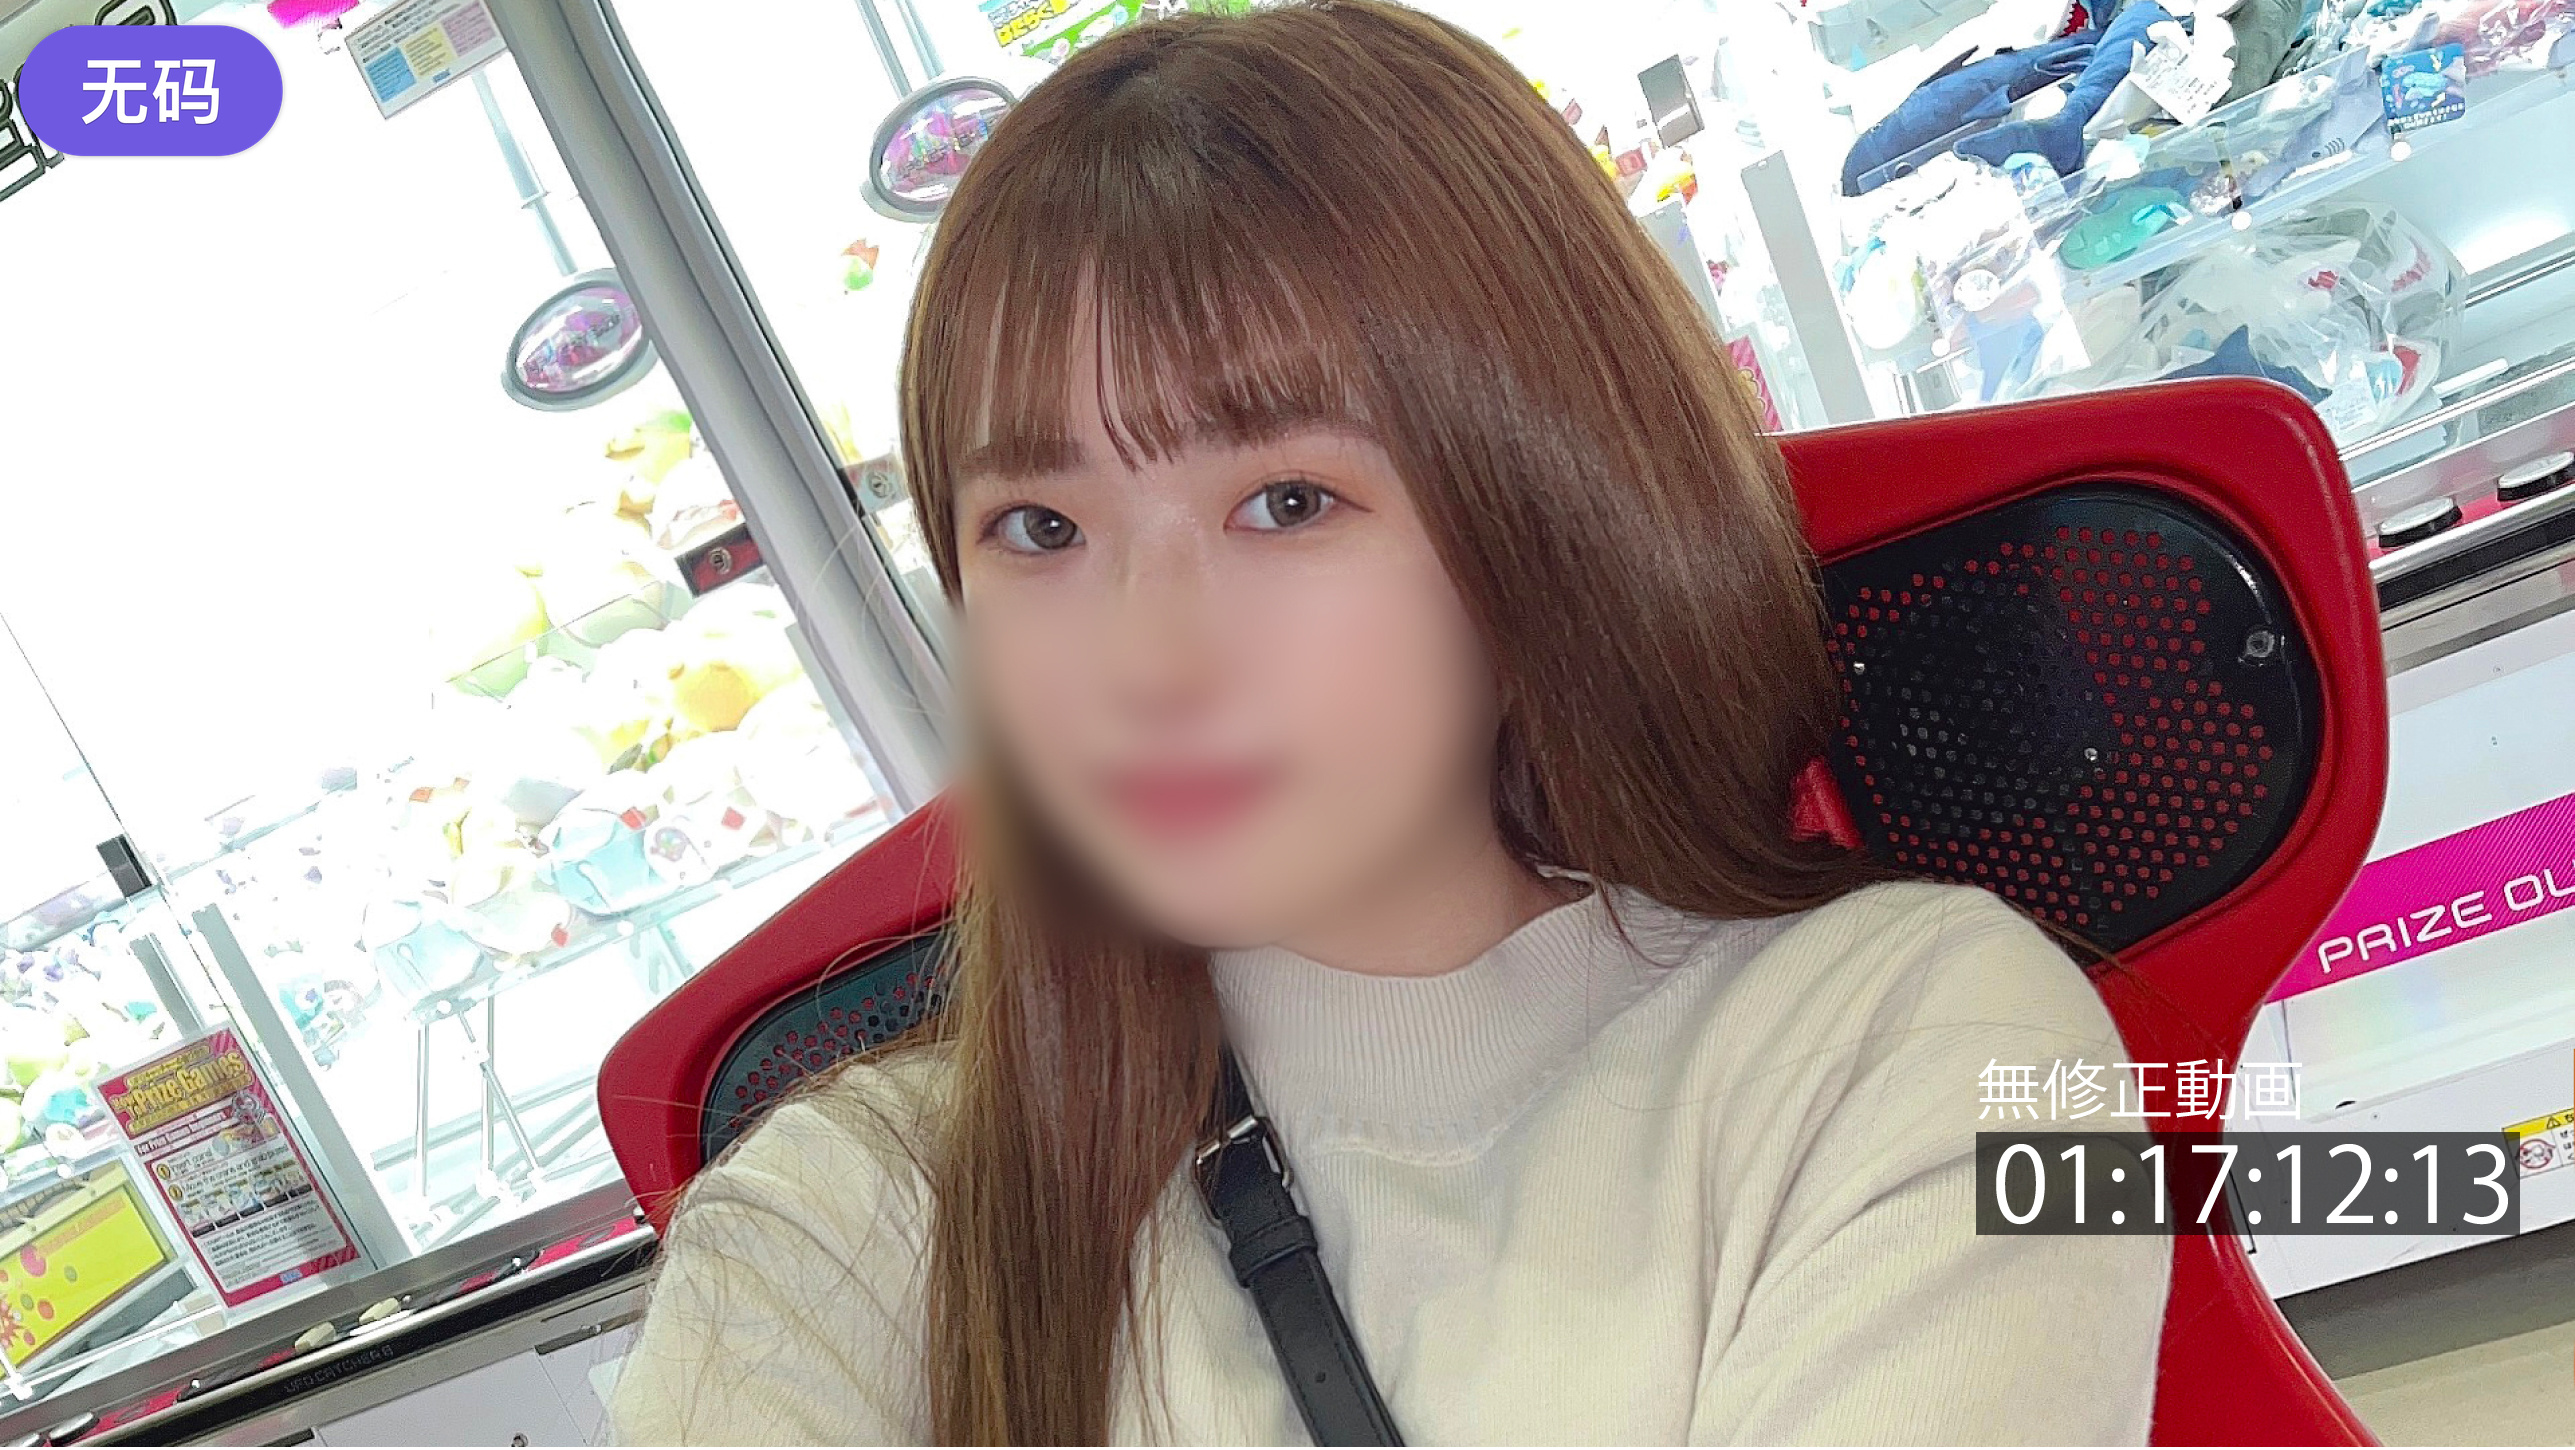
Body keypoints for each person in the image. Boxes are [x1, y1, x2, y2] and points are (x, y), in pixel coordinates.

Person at [609, 2, 2168, 1443]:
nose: (1145, 659)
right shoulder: (832, 1235)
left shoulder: (1931, 1046)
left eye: (1287, 502)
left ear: (1546, 507)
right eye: (1040, 528)